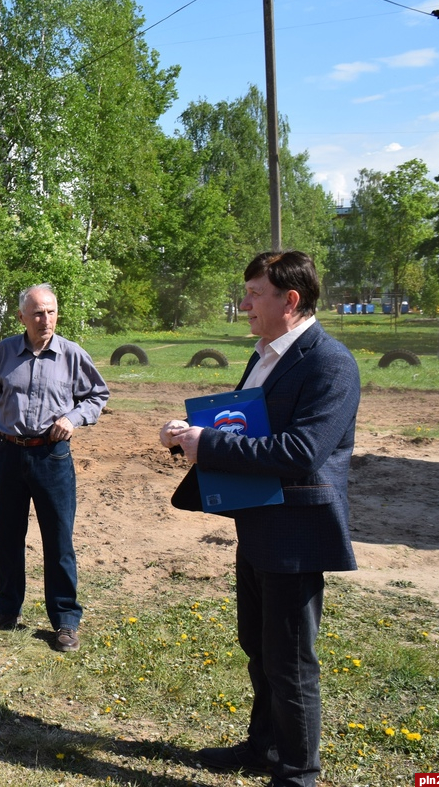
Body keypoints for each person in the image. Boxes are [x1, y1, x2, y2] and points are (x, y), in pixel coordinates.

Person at [160, 251, 359, 787]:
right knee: (260, 647)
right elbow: (246, 433)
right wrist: (190, 438)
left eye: (253, 293)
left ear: (289, 300)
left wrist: (211, 443)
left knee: (291, 661)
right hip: (258, 522)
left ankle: (298, 773)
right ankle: (264, 747)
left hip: (296, 533)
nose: (243, 303)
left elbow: (300, 452)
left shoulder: (329, 362)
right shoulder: (265, 354)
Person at [0, 284, 108, 652]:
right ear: (21, 317)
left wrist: (74, 418)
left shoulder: (72, 354)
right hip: (7, 454)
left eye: (50, 312)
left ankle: (65, 620)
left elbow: (98, 396)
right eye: (36, 313)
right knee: (8, 536)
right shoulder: (4, 352)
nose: (44, 319)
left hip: (52, 457)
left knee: (59, 539)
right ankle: (6, 611)